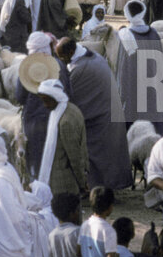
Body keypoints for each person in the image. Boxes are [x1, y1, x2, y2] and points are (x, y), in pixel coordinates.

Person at [55, 37, 131, 190]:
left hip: (101, 119)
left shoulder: (81, 69)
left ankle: (97, 189)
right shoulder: (93, 57)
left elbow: (70, 100)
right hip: (108, 114)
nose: (61, 60)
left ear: (71, 52)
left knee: (95, 154)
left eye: (62, 57)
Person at [114, 1, 163, 135]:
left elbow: (122, 69)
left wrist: (120, 96)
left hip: (135, 90)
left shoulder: (125, 36)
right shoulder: (154, 33)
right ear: (143, 12)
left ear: (127, 14)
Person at [34, 79, 88, 198]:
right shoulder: (70, 109)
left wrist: (82, 182)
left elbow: (75, 156)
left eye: (47, 101)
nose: (45, 105)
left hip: (63, 183)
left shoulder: (65, 122)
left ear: (56, 98)